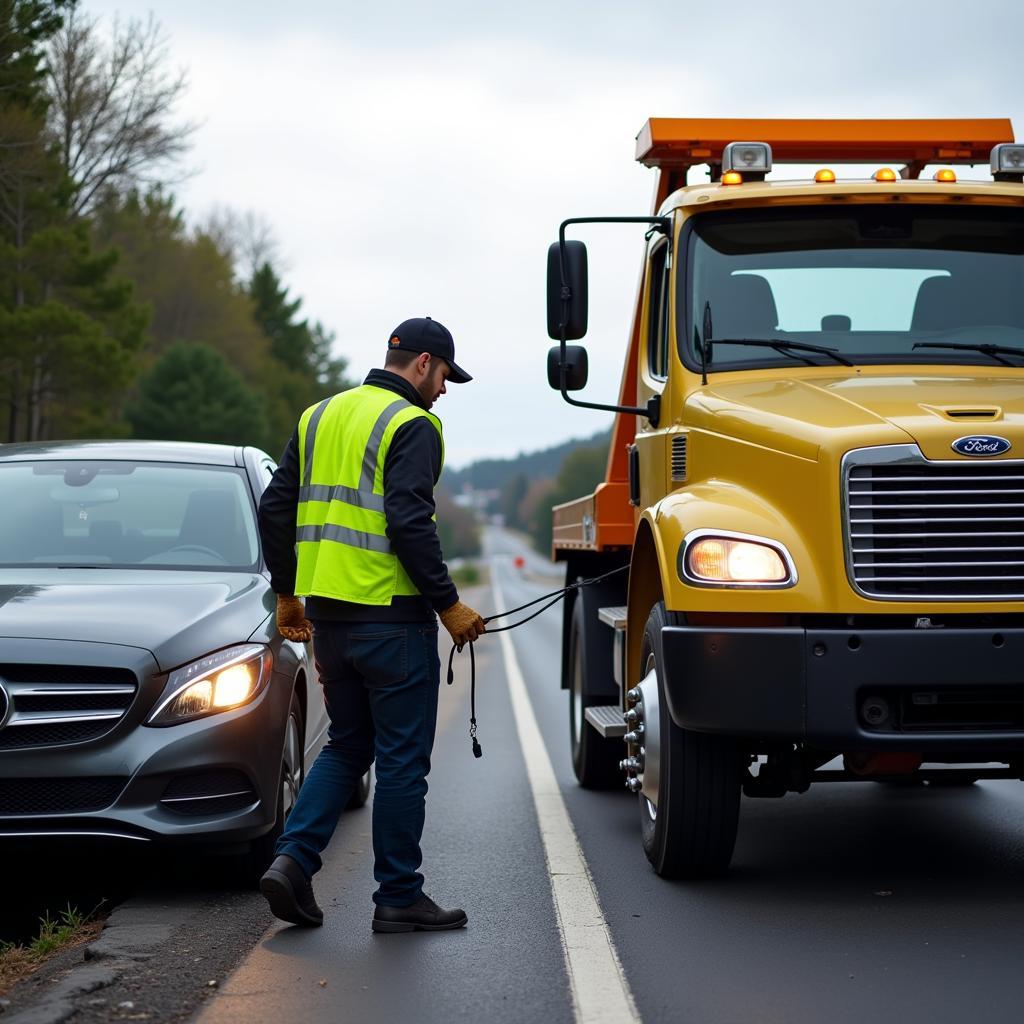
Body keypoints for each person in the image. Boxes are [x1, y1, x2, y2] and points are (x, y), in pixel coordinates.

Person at [256, 316, 486, 933]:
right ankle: (399, 897)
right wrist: (448, 604)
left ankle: (292, 862)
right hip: (394, 623)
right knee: (403, 760)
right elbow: (409, 520)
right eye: (443, 376)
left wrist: (288, 595)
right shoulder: (413, 425)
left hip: (330, 620)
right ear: (421, 365)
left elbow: (274, 507)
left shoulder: (318, 416)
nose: (443, 390)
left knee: (346, 746)